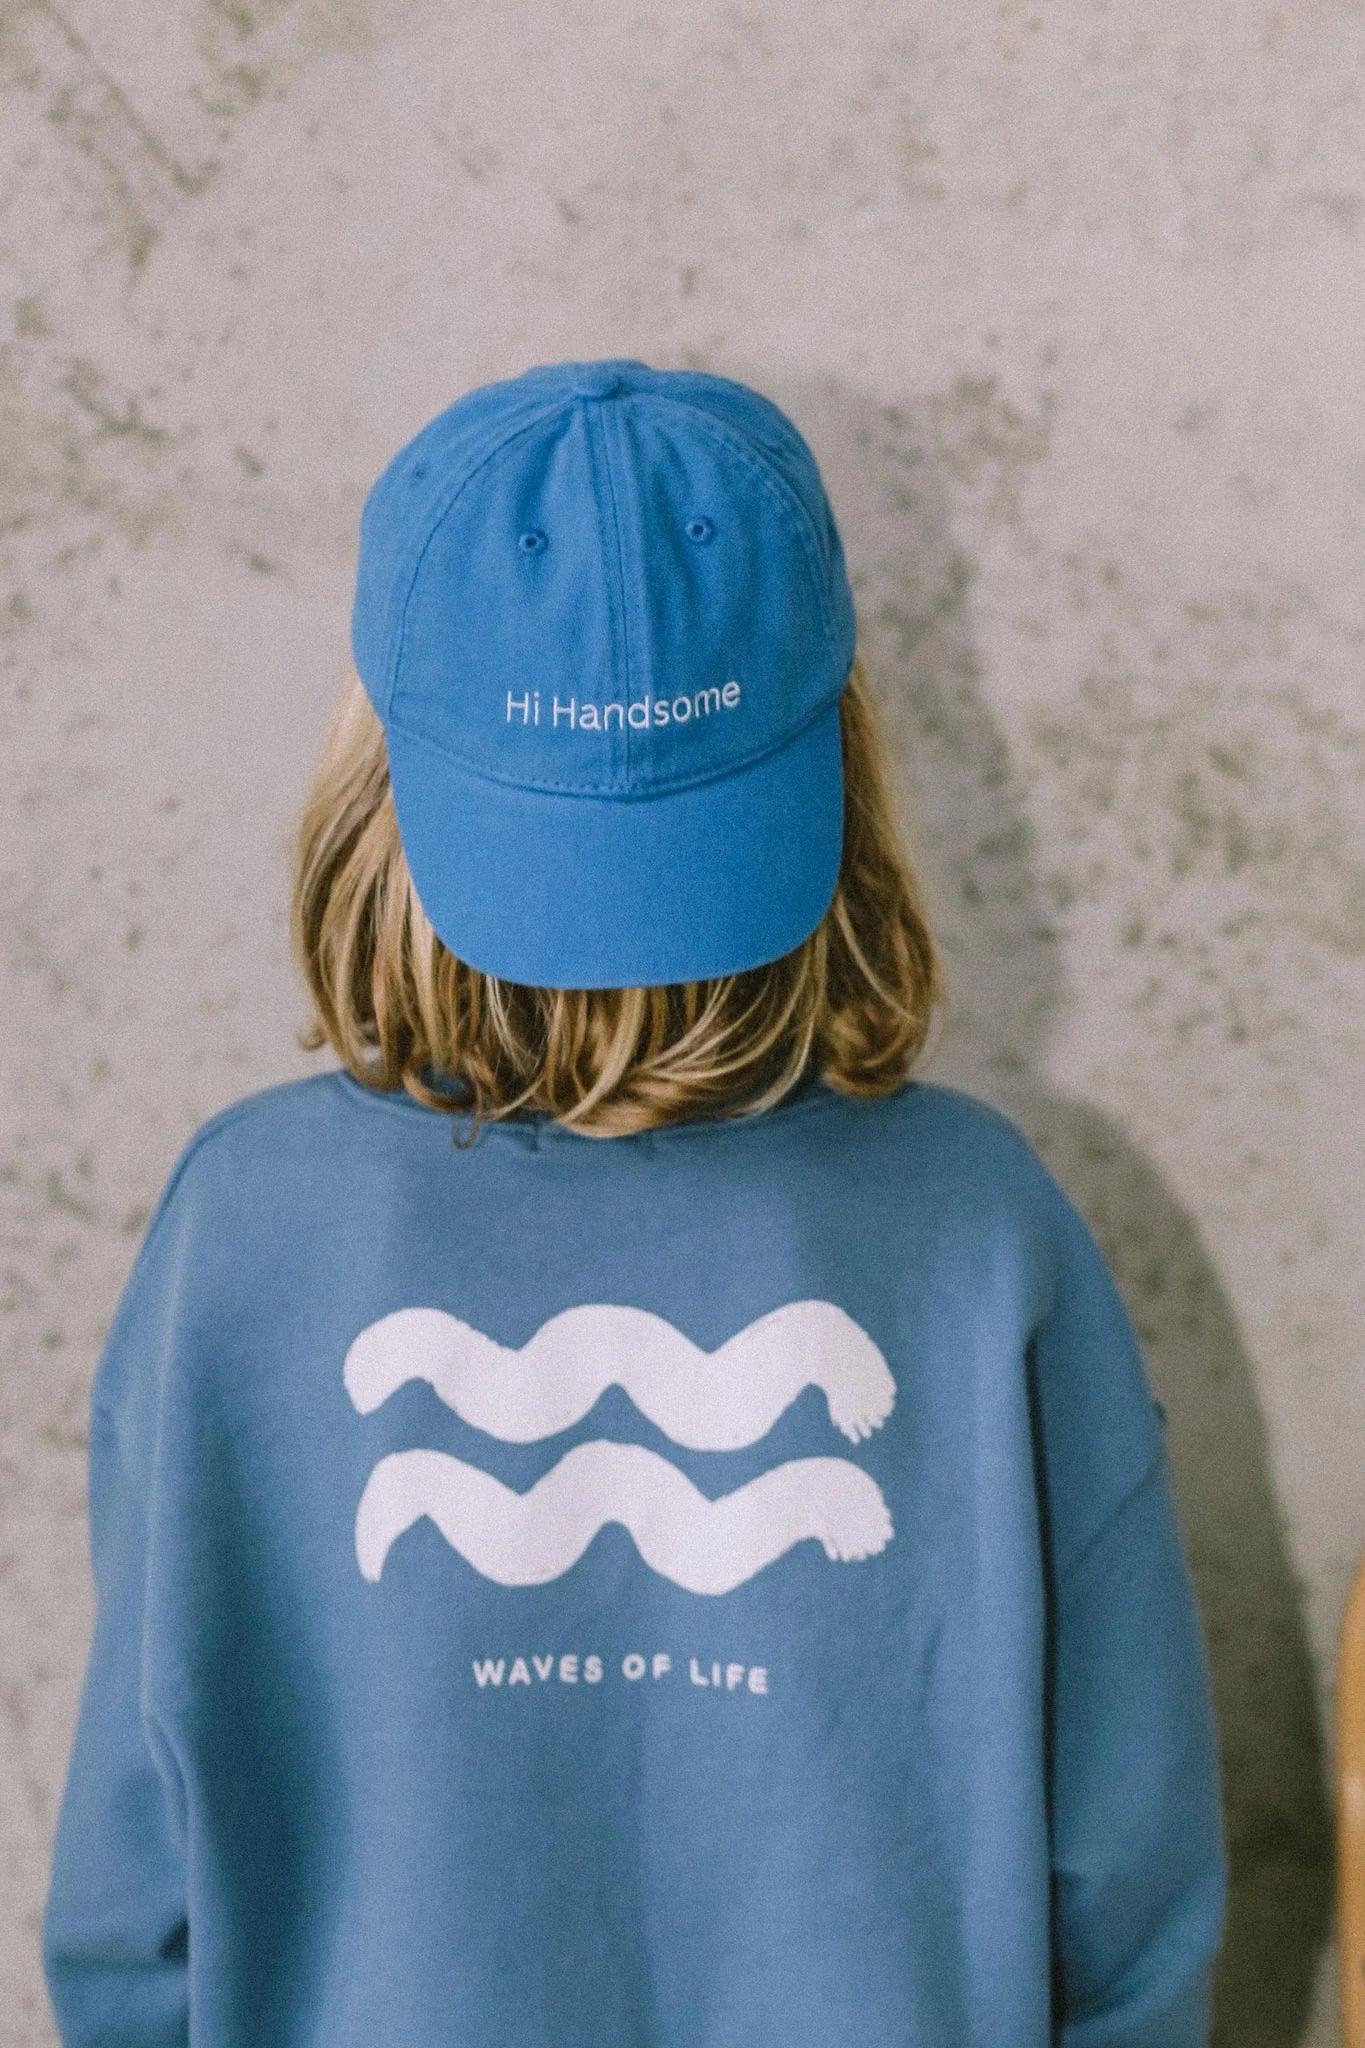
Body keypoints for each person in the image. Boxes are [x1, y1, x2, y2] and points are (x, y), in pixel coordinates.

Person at [40, 357, 1227, 2046]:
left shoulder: (245, 1234)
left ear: (374, 771)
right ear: (838, 757)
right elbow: (1125, 1901)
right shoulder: (980, 1236)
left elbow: (131, 1910)